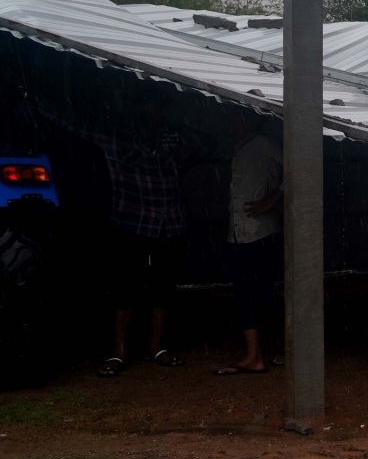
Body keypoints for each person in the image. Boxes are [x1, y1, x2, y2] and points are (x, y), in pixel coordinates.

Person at [41, 87, 203, 375]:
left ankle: (155, 347)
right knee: (126, 287)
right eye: (154, 108)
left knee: (162, 287)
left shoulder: (173, 138)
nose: (157, 114)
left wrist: (174, 137)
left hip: (171, 223)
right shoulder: (118, 136)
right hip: (133, 222)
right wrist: (36, 101)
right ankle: (119, 350)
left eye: (161, 110)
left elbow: (206, 142)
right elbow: (73, 123)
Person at [218, 110, 283, 375]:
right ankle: (254, 355)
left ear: (250, 119)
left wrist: (273, 198)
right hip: (238, 233)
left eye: (236, 117)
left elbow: (302, 163)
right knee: (246, 293)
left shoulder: (265, 144)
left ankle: (281, 349)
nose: (232, 122)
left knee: (264, 293)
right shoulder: (239, 146)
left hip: (260, 232)